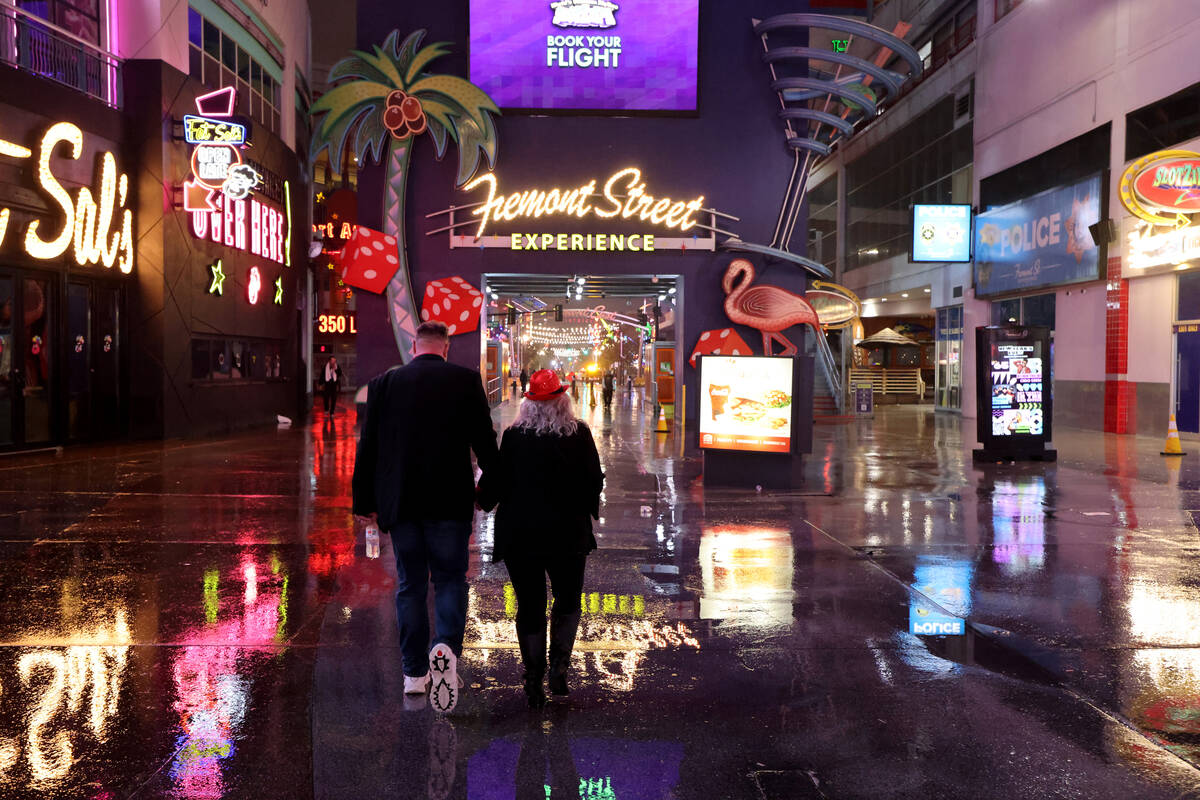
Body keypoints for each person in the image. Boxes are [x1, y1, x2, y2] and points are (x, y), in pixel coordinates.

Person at [353, 321, 499, 713]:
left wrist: (365, 502)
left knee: (410, 585)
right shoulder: (466, 381)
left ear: (414, 346)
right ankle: (446, 652)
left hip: (400, 504)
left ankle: (414, 674)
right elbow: (486, 444)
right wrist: (489, 493)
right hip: (450, 502)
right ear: (446, 348)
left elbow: (368, 447)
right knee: (451, 579)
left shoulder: (385, 383)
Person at [477, 370, 604, 708]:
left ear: (529, 403)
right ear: (563, 401)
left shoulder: (515, 436)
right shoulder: (580, 435)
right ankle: (559, 669)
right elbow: (595, 481)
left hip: (522, 536)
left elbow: (498, 482)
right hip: (568, 535)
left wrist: (482, 499)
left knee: (530, 605)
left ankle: (533, 679)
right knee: (567, 601)